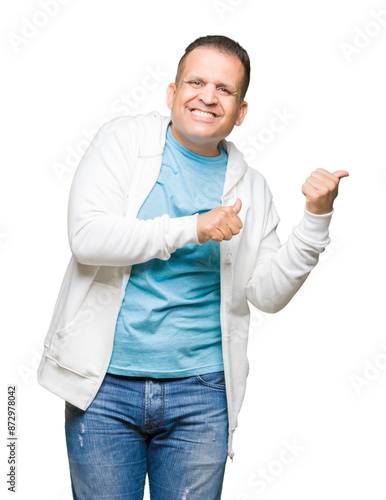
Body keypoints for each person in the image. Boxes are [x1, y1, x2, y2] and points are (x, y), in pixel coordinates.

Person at [37, 35, 348, 499]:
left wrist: (316, 221)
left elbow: (266, 294)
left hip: (201, 395)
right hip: (103, 387)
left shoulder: (253, 189)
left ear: (240, 112)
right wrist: (193, 228)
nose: (207, 96)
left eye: (224, 89)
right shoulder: (124, 141)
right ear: (172, 93)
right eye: (196, 81)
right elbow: (87, 238)